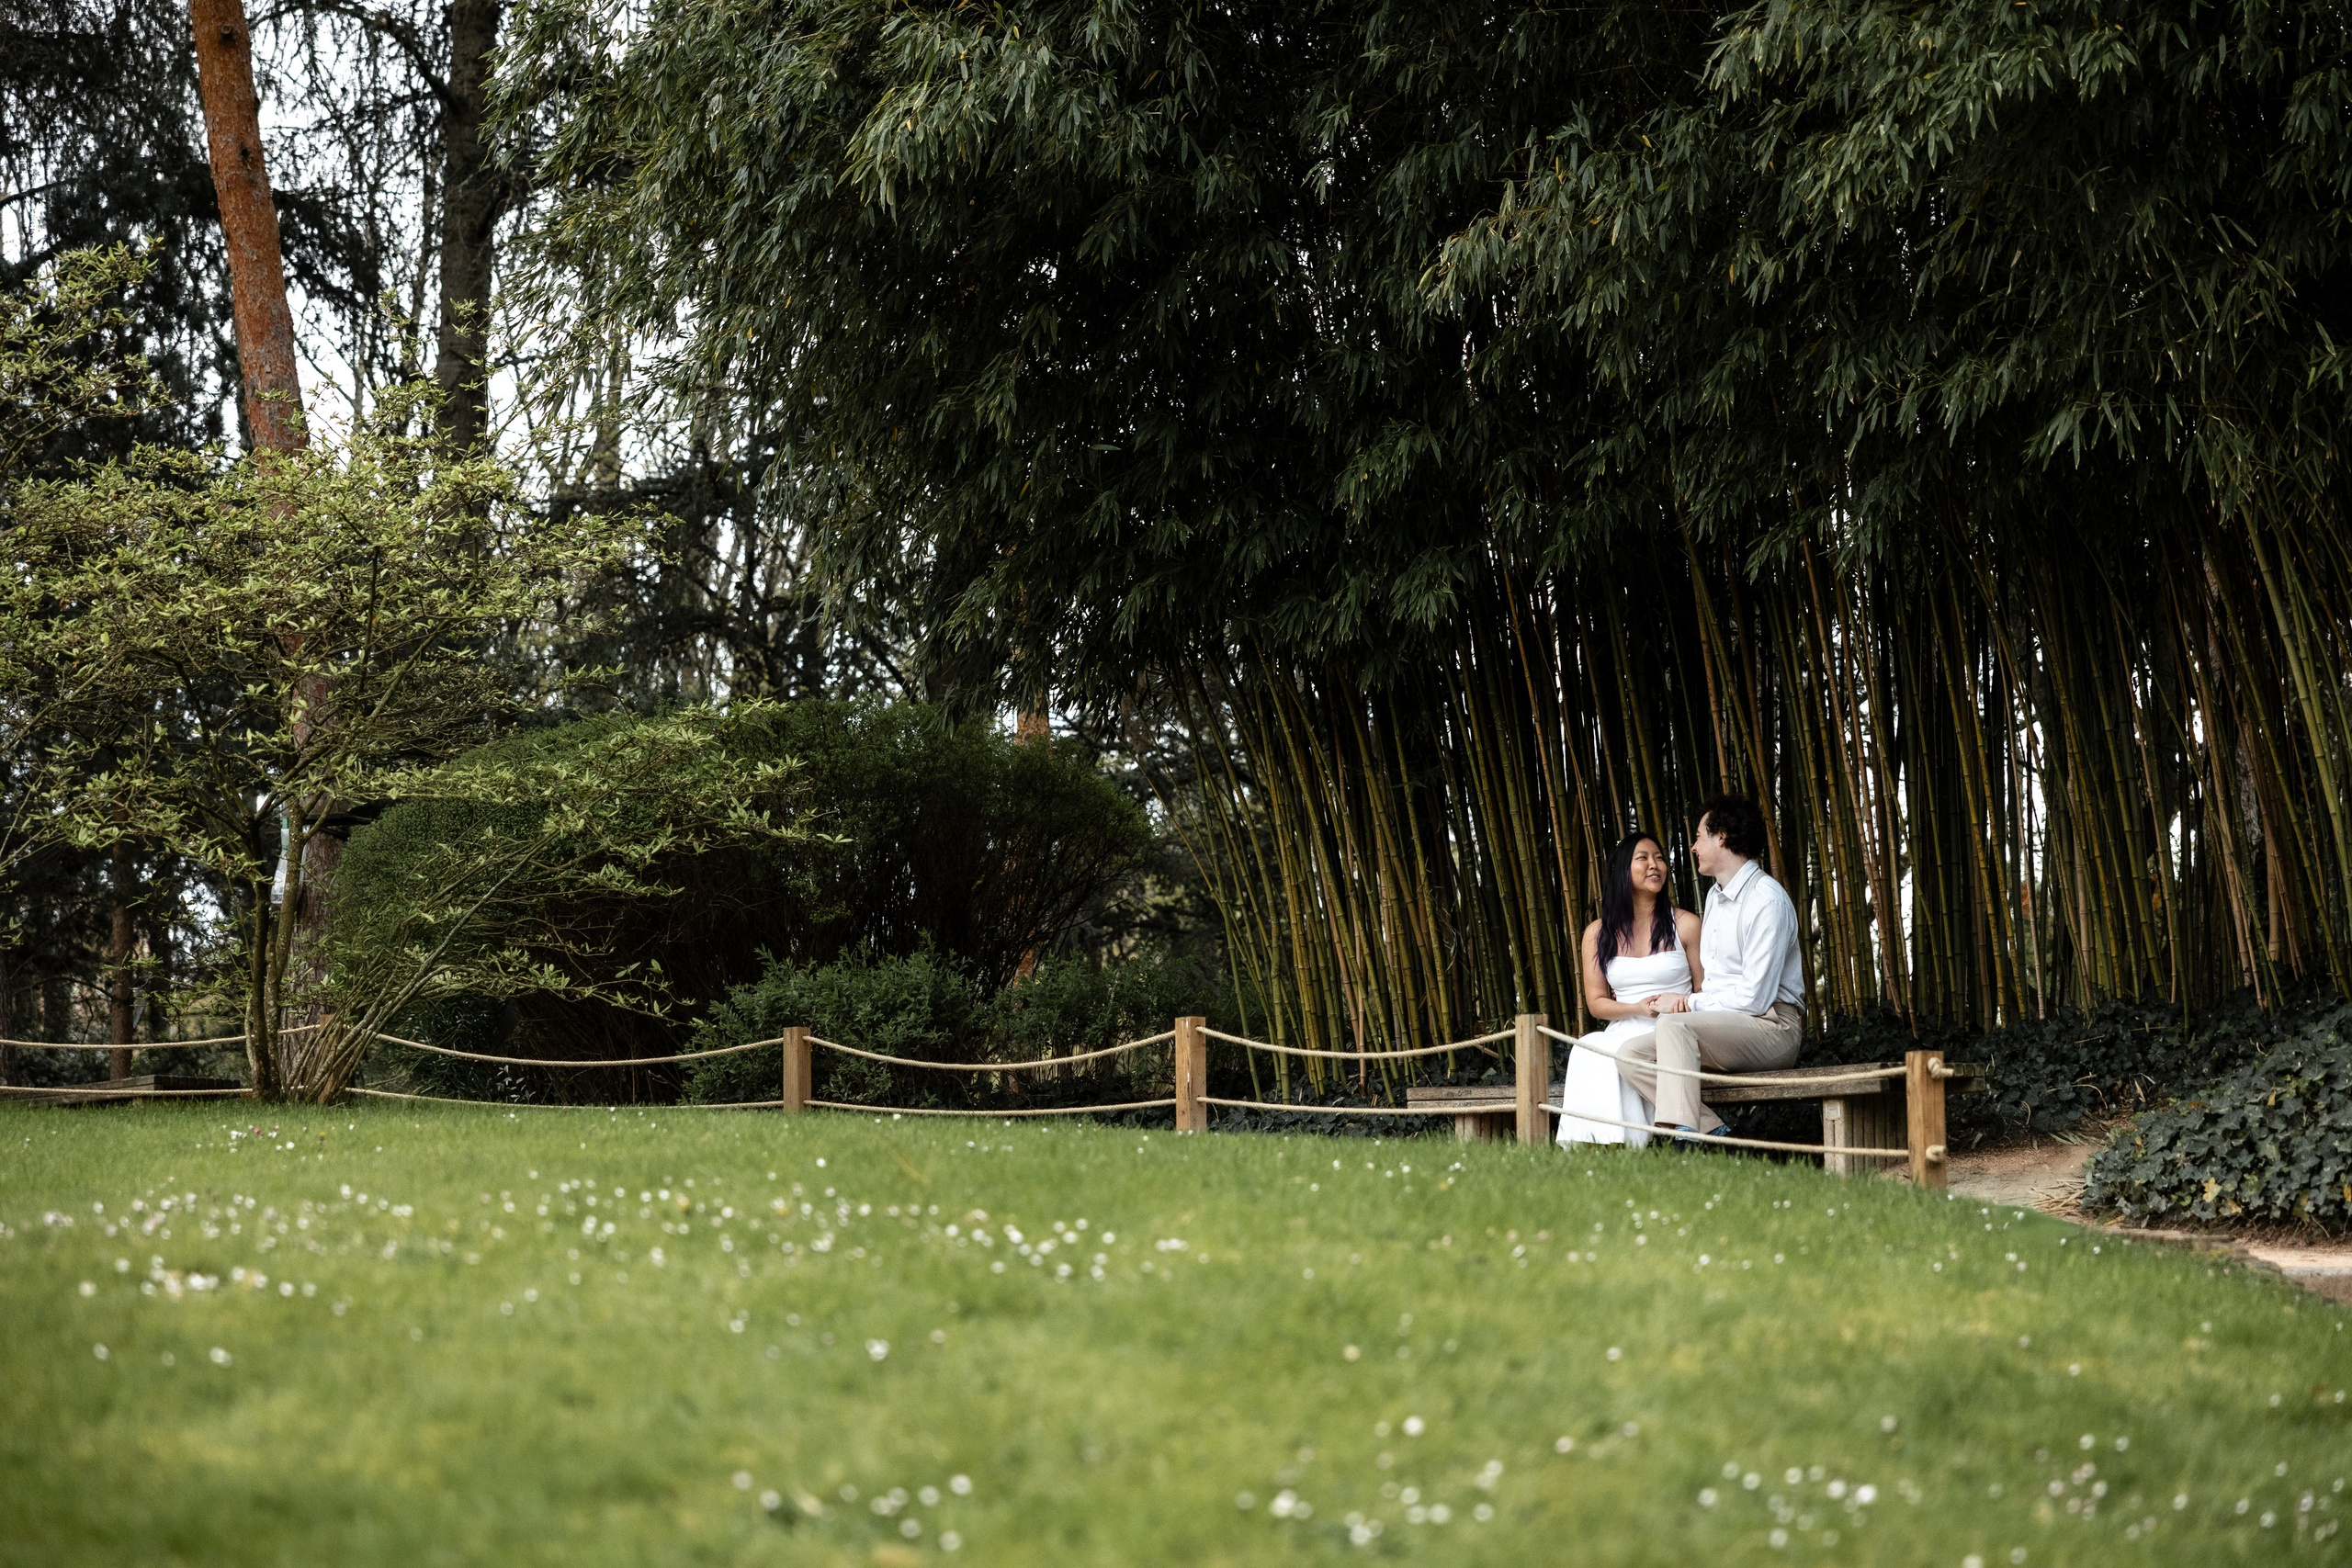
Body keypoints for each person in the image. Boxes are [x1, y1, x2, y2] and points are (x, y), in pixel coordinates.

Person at [1613, 794, 1804, 1138]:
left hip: (1773, 1028)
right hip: (1728, 1026)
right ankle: (1714, 1133)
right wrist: (1691, 1007)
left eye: (1699, 837)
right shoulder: (1716, 896)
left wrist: (1687, 1002)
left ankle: (1683, 1137)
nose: (1693, 847)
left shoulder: (1766, 900)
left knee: (1675, 1026)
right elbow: (1717, 984)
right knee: (1630, 1055)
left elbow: (1755, 999)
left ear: (1722, 837)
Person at [1555, 831, 1705, 1148]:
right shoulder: (1598, 933)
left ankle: (1628, 1144)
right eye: (1643, 858)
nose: (1655, 865)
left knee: (1623, 1053)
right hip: (1625, 1025)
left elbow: (1706, 991)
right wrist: (1639, 1008)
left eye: (1660, 858)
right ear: (1624, 870)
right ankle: (1597, 1144)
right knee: (1588, 1047)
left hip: (1674, 1030)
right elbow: (1596, 1002)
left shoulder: (1687, 925)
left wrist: (1681, 1004)